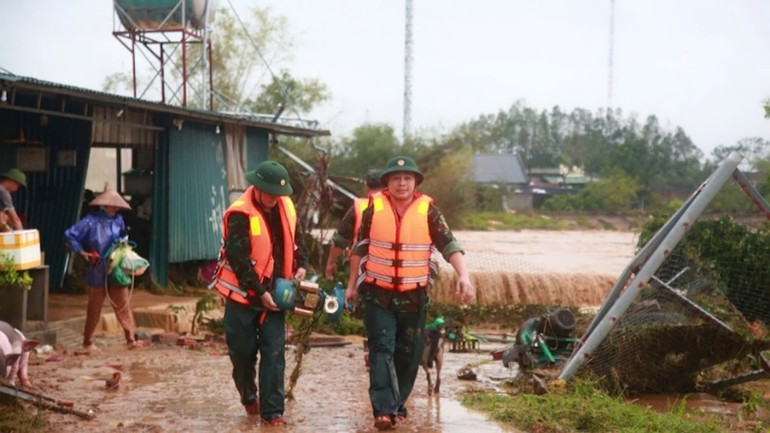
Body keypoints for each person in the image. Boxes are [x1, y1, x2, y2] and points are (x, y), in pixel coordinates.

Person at [345, 156, 475, 430]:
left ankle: (398, 407)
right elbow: (359, 247)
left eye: (407, 178)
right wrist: (351, 285)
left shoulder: (428, 210)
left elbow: (449, 243)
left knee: (409, 353)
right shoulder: (373, 208)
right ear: (387, 183)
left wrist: (464, 275)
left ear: (415, 182)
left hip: (414, 297)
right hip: (377, 294)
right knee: (381, 349)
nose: (402, 183)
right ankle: (383, 411)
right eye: (396, 178)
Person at [212, 160, 307, 426]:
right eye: (271, 194)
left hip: (277, 296)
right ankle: (248, 395)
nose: (275, 199)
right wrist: (259, 291)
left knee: (275, 353)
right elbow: (239, 258)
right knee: (242, 354)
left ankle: (273, 412)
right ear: (257, 187)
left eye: (280, 194)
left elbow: (299, 243)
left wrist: (300, 267)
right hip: (243, 297)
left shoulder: (285, 207)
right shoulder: (240, 214)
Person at [64, 190, 138, 351]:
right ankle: (88, 341)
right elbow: (71, 235)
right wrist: (81, 251)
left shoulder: (119, 220)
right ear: (104, 205)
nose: (115, 208)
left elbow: (124, 237)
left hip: (116, 266)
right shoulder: (91, 221)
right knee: (94, 306)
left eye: (117, 206)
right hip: (97, 267)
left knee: (123, 303)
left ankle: (131, 339)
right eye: (112, 205)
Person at [324, 169, 384, 281]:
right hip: (388, 273)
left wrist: (330, 263)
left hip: (359, 270)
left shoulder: (359, 208)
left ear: (367, 189)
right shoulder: (399, 210)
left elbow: (340, 241)